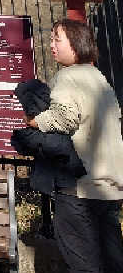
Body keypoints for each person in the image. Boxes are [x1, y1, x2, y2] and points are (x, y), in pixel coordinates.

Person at [26, 18, 123, 273]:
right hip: (109, 188)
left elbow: (64, 117)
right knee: (112, 263)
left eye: (57, 39)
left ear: (76, 45)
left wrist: (35, 121)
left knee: (83, 263)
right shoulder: (98, 77)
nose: (52, 45)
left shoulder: (68, 77)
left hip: (79, 191)